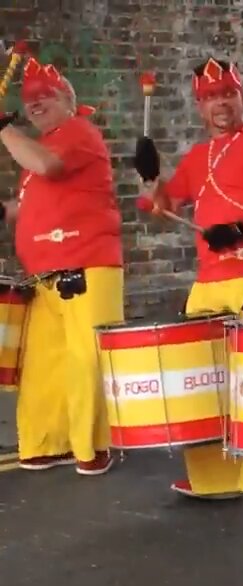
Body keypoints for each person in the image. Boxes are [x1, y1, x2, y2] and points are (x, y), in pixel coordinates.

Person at [135, 58, 243, 519]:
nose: (220, 104)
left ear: (241, 96)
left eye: (226, 94)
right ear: (200, 106)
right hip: (208, 281)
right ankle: (214, 475)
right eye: (210, 98)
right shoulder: (198, 156)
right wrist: (150, 175)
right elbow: (162, 205)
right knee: (202, 383)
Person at [0, 57, 122, 476]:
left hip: (86, 263)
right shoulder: (44, 145)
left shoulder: (77, 133)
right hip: (46, 272)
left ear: (68, 99)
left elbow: (48, 167)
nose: (34, 103)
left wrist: (2, 128)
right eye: (28, 98)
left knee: (87, 359)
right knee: (44, 363)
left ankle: (91, 446)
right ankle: (46, 443)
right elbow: (30, 203)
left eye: (44, 96)